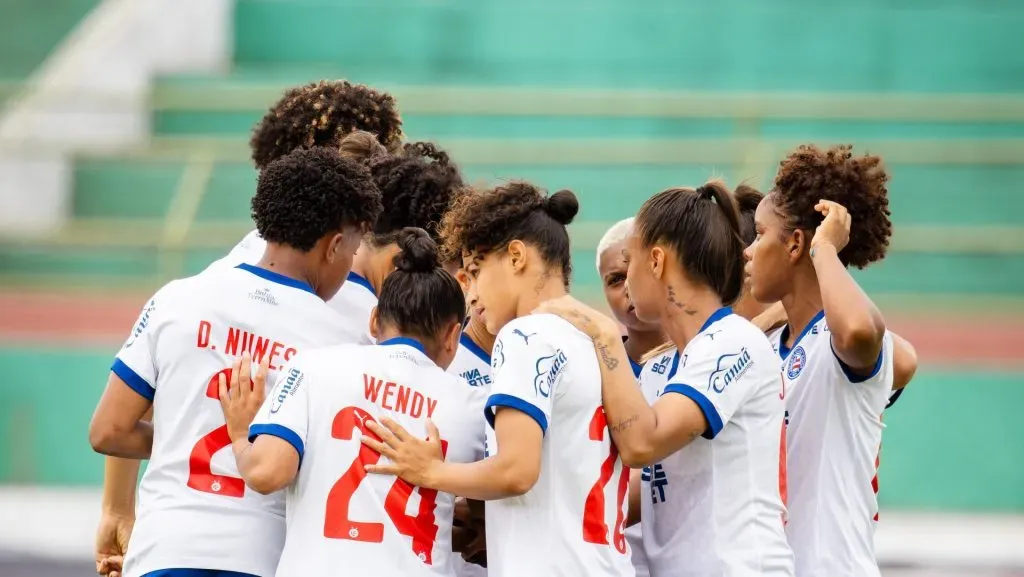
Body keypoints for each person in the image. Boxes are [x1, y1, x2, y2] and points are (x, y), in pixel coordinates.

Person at [94, 81, 403, 573]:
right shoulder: (356, 314)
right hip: (267, 550)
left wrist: (118, 503)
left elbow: (126, 412)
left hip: (166, 543)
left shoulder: (195, 287)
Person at [359, 183, 636, 577]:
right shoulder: (593, 342)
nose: (470, 291)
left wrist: (431, 472)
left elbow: (516, 471)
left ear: (517, 257)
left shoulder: (523, 336)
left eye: (475, 271)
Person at [535, 180, 795, 576]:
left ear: (656, 261)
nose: (625, 286)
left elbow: (642, 444)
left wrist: (603, 335)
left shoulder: (733, 342)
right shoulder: (665, 366)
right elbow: (641, 491)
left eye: (630, 263)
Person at [220, 228, 487, 577]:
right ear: (454, 336)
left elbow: (265, 472)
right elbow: (489, 511)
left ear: (374, 320)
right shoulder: (473, 407)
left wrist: (241, 435)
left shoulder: (315, 367)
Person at [743, 144, 905, 576]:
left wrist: (827, 250)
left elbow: (859, 333)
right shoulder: (773, 341)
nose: (748, 251)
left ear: (797, 243)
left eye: (759, 235)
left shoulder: (840, 340)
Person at [595, 217, 667, 577]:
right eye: (614, 280)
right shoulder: (591, 371)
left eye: (631, 272)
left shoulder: (704, 357)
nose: (626, 288)